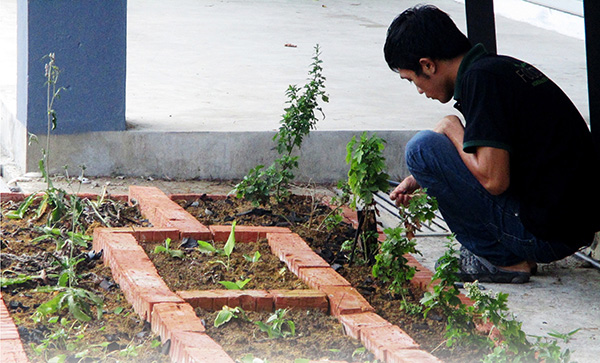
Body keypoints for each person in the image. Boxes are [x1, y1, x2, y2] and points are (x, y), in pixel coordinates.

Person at [385, 5, 600, 283]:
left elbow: (494, 179)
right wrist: (423, 176)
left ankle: (503, 261)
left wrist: (451, 126)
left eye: (412, 79)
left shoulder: (481, 81)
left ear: (428, 65)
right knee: (431, 153)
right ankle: (513, 254)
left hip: (547, 236)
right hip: (571, 226)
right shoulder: (499, 69)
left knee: (422, 148)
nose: (419, 90)